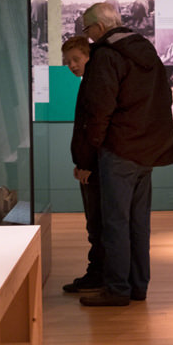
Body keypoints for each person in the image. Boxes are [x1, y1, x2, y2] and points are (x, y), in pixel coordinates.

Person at [74, 1, 173, 306]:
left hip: (119, 151)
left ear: (98, 28)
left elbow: (98, 111)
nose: (88, 36)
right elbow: (165, 98)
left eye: (87, 30)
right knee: (138, 223)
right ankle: (138, 286)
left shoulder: (106, 56)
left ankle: (118, 289)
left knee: (115, 223)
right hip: (146, 152)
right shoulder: (145, 50)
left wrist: (89, 154)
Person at [61, 36, 105, 294]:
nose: (72, 65)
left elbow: (94, 129)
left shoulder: (95, 86)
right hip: (89, 165)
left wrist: (87, 164)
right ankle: (98, 272)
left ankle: (99, 274)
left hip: (95, 166)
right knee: (94, 223)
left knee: (98, 223)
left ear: (90, 56)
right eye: (68, 61)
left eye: (77, 59)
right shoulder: (88, 84)